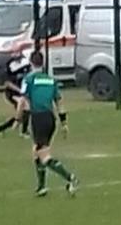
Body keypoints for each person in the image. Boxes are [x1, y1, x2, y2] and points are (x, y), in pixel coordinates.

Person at [18, 50, 77, 197]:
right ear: (42, 63)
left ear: (31, 63)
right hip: (50, 119)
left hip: (38, 118)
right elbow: (59, 102)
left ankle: (70, 178)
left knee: (44, 155)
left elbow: (22, 101)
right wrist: (64, 123)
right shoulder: (51, 80)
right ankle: (41, 187)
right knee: (37, 151)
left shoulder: (29, 80)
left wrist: (18, 119)